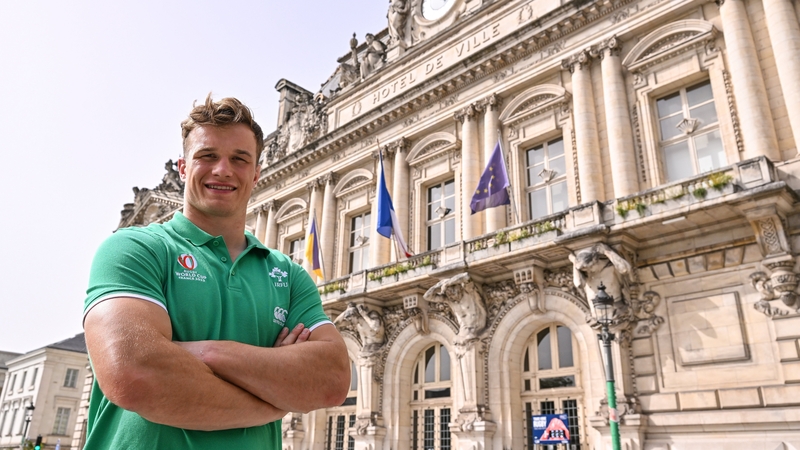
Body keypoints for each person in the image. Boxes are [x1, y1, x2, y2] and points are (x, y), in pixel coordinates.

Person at [82, 95, 350, 449]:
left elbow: (331, 380)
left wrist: (203, 353)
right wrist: (275, 398)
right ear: (182, 168)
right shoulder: (133, 248)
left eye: (239, 159)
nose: (223, 169)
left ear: (256, 173)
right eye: (207, 156)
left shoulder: (289, 275)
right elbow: (135, 376)